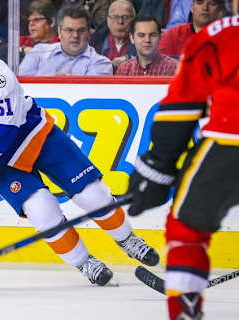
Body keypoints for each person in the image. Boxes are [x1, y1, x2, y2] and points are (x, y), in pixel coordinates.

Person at [0, 14, 159, 287]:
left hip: (34, 135)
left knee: (92, 194)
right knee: (41, 210)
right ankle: (84, 262)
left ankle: (127, 239)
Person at [126, 2, 238, 318]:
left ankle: (184, 310)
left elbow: (182, 106)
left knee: (186, 229)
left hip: (231, 143)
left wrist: (159, 167)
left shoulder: (219, 34)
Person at [19, 5, 112, 76]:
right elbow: (21, 89)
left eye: (81, 30)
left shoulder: (102, 63)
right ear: (59, 32)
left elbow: (91, 97)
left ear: (89, 33)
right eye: (69, 30)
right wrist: (53, 83)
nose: (75, 35)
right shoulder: (38, 53)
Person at [158, 0, 224, 59]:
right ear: (192, 8)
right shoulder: (173, 36)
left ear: (220, 9)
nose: (205, 8)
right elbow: (156, 66)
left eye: (212, 3)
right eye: (199, 2)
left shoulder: (227, 39)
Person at [91, 0, 137, 70]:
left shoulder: (142, 41)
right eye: (115, 17)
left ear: (134, 20)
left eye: (125, 17)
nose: (120, 22)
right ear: (108, 21)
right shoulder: (95, 42)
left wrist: (131, 59)